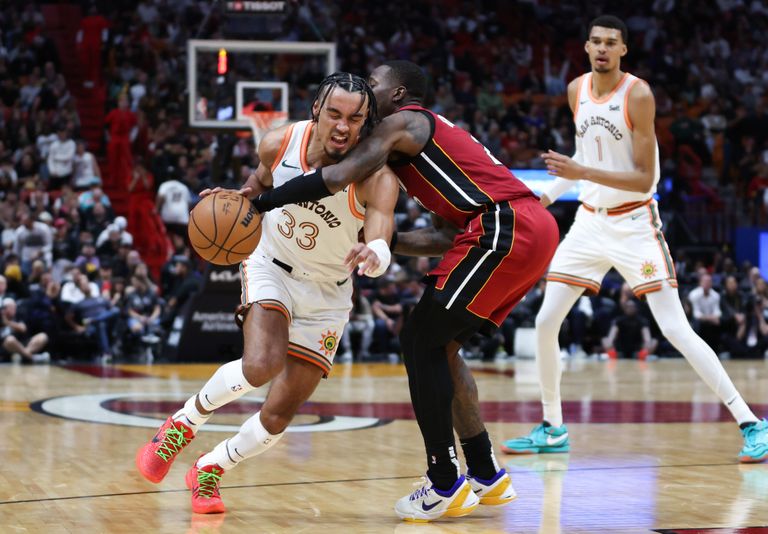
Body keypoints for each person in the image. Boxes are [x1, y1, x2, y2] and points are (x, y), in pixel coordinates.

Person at [239, 61, 560, 521]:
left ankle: (443, 481)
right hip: (520, 231)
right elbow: (445, 239)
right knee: (442, 349)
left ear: (399, 93)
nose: (366, 94)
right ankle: (487, 473)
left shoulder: (406, 121)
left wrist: (260, 202)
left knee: (418, 341)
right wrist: (377, 242)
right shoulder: (429, 156)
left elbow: (336, 176)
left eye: (373, 86)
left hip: (506, 226)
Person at [500, 15, 768, 463]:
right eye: (596, 42)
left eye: (611, 43)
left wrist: (581, 173)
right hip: (589, 223)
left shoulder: (638, 94)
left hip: (635, 225)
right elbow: (584, 156)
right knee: (546, 321)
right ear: (586, 47)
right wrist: (546, 196)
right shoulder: (576, 90)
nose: (603, 49)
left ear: (623, 49)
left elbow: (644, 177)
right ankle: (552, 427)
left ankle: (751, 422)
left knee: (675, 329)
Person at [135, 73, 399, 515]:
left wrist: (377, 251)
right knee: (261, 364)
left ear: (366, 122)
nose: (342, 126)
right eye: (334, 113)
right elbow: (259, 184)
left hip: (328, 294)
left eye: (355, 119)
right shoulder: (280, 141)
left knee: (278, 415)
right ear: (316, 109)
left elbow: (381, 225)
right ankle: (181, 425)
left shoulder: (375, 174)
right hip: (270, 264)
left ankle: (209, 468)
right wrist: (236, 201)